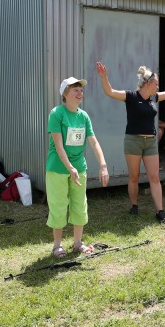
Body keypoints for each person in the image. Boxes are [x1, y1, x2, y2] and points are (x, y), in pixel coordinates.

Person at [96, 62, 165, 222]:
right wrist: (104, 76)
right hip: (133, 141)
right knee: (134, 176)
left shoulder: (154, 97)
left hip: (151, 142)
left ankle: (160, 212)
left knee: (154, 177)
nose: (158, 86)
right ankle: (134, 205)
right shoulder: (132, 96)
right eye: (156, 83)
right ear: (148, 83)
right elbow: (110, 92)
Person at [46, 77, 109, 258]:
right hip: (58, 168)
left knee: (79, 205)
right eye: (75, 89)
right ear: (65, 94)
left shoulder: (84, 116)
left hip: (79, 167)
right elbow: (58, 146)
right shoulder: (57, 113)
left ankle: (78, 243)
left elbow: (93, 142)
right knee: (58, 205)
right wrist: (69, 168)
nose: (80, 93)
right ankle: (57, 246)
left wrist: (103, 165)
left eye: (81, 90)